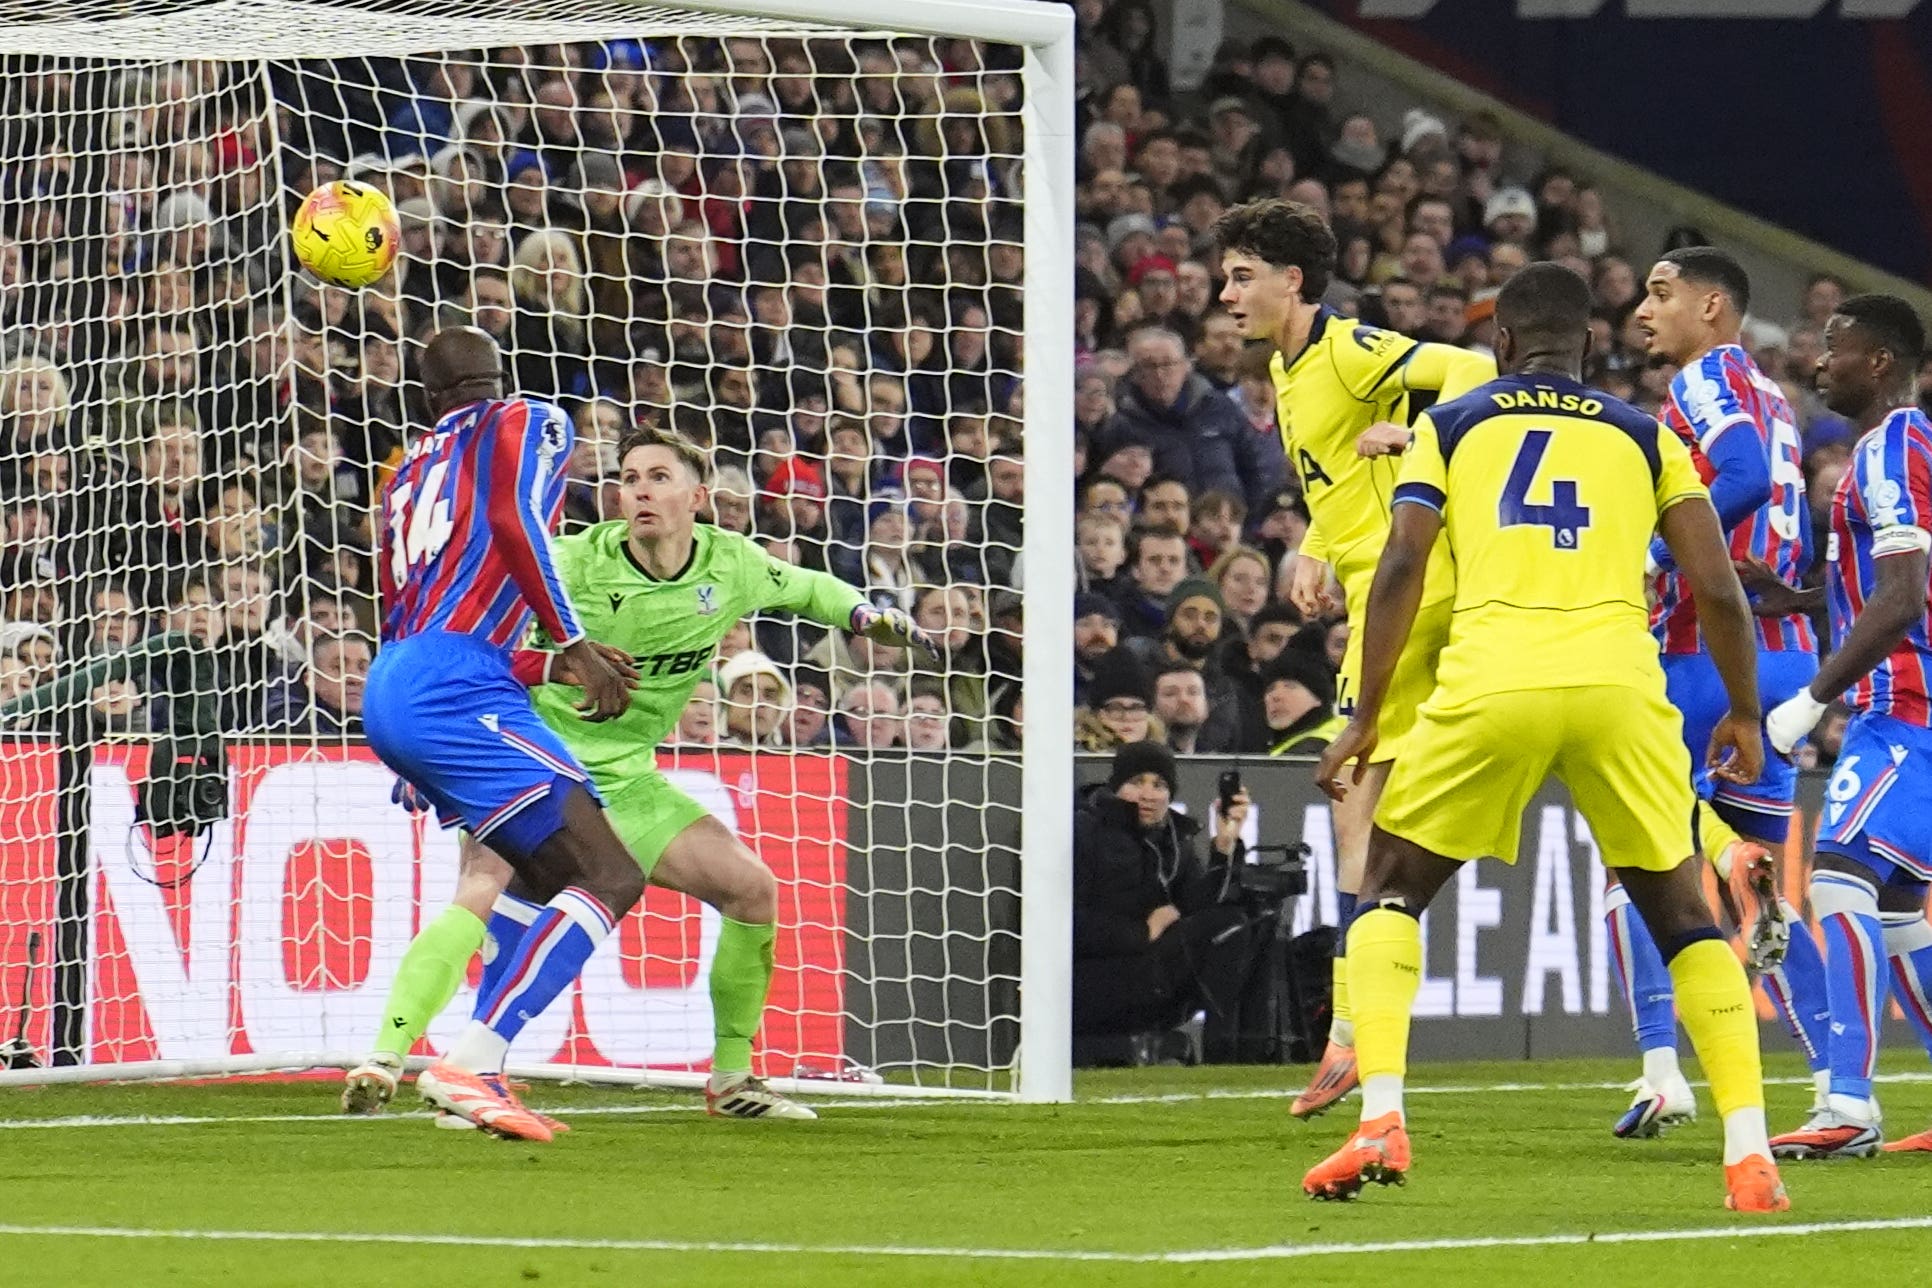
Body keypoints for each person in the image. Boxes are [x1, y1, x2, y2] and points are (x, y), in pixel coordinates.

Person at [1307, 264, 1786, 1212]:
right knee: (1684, 915)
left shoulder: (1449, 426)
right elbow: (1720, 588)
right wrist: (1744, 712)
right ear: (1593, 349)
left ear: (1502, 347)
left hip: (1494, 681)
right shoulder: (1647, 436)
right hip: (1617, 685)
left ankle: (1381, 1121)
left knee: (1391, 892)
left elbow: (1403, 562)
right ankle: (1748, 1152)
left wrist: (1365, 714)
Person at [347, 423, 936, 1124]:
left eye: (658, 476)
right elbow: (472, 637)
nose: (640, 490)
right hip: (538, 769)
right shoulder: (572, 563)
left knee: (751, 889)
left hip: (629, 782)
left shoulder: (731, 564)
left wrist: (866, 614)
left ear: (698, 495)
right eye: (628, 479)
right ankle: (387, 1057)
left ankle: (732, 1078)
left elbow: (807, 588)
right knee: (481, 890)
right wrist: (433, 745)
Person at [1213, 197, 1494, 1118]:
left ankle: (1348, 1031)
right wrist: (1317, 542)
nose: (1226, 293)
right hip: (1391, 589)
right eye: (1225, 277)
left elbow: (1479, 368)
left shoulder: (1348, 350)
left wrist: (1417, 434)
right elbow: (1342, 479)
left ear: (1293, 281)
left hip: (1412, 596)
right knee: (1369, 811)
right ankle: (1352, 1026)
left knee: (1357, 803)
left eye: (1242, 276)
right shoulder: (1292, 373)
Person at [356, 326, 640, 1143]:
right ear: (498, 378)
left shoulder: (406, 472)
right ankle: (471, 1063)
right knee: (610, 873)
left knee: (535, 877)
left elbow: (414, 613)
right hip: (455, 686)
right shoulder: (532, 418)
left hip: (408, 679)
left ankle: (471, 1067)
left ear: (427, 399)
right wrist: (573, 646)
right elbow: (517, 520)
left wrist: (534, 673)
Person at [1604, 246, 1830, 1139]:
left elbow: (1735, 479)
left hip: (1703, 658)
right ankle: (1834, 1087)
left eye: (1661, 294)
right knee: (1764, 880)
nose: (1644, 311)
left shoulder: (1704, 380)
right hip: (1780, 661)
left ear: (1713, 308)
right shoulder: (1779, 397)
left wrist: (1656, 555)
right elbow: (1780, 501)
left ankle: (1662, 1068)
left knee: (1642, 862)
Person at [1742, 295, 1932, 1158]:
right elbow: (1889, 585)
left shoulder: (1893, 445)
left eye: (1833, 346)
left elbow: (1902, 599)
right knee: (1894, 905)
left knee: (1838, 878)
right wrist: (1807, 602)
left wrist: (1807, 700)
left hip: (1907, 707)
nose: (1819, 361)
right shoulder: (1899, 448)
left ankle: (1848, 1104)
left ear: (1881, 361)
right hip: (1903, 701)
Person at [1073, 739, 1261, 1063]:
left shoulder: (1174, 838)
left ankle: (1236, 1049)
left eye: (1159, 785)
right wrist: (1142, 932)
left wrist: (1224, 846)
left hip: (1149, 972)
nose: (1148, 794)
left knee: (1239, 923)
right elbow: (1065, 923)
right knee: (1222, 926)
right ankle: (1222, 1054)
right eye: (1136, 782)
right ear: (1115, 786)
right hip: (1090, 981)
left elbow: (1200, 905)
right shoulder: (1085, 831)